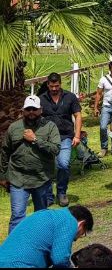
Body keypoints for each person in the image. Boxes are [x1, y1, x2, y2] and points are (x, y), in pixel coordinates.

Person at [1, 95, 60, 234]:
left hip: (41, 178)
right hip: (18, 178)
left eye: (34, 109)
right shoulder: (14, 128)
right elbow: (5, 152)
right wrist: (3, 176)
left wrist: (35, 140)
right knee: (17, 216)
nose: (31, 112)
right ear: (23, 111)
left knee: (41, 216)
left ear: (41, 110)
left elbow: (56, 149)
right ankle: (13, 250)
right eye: (28, 109)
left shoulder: (50, 127)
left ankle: (39, 245)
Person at [0, 206, 94, 268]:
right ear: (82, 224)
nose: (76, 239)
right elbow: (60, 259)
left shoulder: (47, 214)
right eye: (82, 233)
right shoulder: (69, 221)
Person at [39, 72, 81, 207]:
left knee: (63, 164)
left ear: (60, 84)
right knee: (48, 167)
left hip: (65, 137)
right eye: (51, 86)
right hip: (47, 139)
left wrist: (77, 135)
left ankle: (62, 192)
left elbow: (78, 115)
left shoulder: (70, 97)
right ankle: (48, 195)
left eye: (56, 86)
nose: (54, 89)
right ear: (48, 85)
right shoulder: (41, 99)